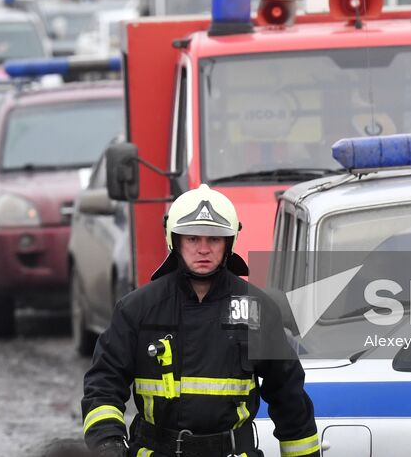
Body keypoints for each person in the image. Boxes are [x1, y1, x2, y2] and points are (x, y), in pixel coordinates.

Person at [81, 184, 319, 457]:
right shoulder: (138, 309)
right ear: (175, 240)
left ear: (229, 242)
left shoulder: (257, 309)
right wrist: (107, 445)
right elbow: (103, 385)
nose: (203, 249)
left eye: (214, 239)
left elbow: (289, 398)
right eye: (193, 239)